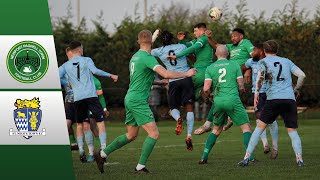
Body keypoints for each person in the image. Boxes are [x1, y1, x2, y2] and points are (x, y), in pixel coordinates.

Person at [93, 30, 197, 174]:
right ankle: (140, 166)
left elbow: (141, 77)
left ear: (138, 41)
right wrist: (186, 73)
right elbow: (166, 73)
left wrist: (160, 83)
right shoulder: (148, 58)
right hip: (137, 100)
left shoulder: (135, 57)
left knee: (131, 135)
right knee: (154, 133)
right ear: (151, 41)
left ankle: (102, 154)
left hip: (130, 98)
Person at [238, 40, 306, 167]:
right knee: (292, 131)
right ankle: (299, 160)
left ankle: (246, 158)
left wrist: (256, 94)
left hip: (273, 99)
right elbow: (302, 75)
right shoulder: (286, 61)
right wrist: (296, 89)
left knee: (259, 128)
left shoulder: (263, 62)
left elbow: (260, 79)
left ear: (264, 51)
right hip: (289, 99)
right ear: (277, 50)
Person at [59, 41, 118, 163]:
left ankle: (81, 151)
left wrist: (67, 83)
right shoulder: (86, 60)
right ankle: (103, 150)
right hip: (91, 96)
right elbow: (95, 71)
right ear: (80, 50)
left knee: (80, 125)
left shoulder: (65, 65)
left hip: (78, 98)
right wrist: (111, 75)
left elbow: (56, 76)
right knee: (100, 123)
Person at [198, 45, 254, 164]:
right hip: (232, 99)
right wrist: (242, 89)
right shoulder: (234, 65)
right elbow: (240, 83)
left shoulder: (210, 67)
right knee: (246, 128)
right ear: (228, 54)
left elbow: (206, 88)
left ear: (215, 54)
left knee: (216, 129)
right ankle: (250, 157)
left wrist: (210, 95)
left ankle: (204, 157)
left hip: (218, 101)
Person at [194, 28, 254, 134]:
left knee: (219, 97)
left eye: (235, 36)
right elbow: (217, 46)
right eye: (232, 36)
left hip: (236, 75)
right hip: (229, 73)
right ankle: (228, 118)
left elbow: (255, 56)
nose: (232, 38)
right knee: (220, 97)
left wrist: (248, 70)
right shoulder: (230, 47)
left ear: (241, 36)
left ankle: (208, 124)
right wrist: (209, 37)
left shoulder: (246, 43)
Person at [152, 30, 195, 150]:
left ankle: (178, 118)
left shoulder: (159, 50)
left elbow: (146, 50)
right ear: (172, 38)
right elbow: (192, 57)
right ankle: (189, 135)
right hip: (186, 77)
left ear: (162, 40)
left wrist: (154, 37)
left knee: (173, 108)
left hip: (173, 79)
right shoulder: (181, 46)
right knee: (189, 106)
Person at [241, 44, 279, 158]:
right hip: (257, 93)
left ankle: (275, 147)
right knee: (259, 117)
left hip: (269, 92)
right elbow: (241, 68)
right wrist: (247, 70)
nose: (252, 52)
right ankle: (265, 144)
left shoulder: (270, 61)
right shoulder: (251, 61)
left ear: (261, 52)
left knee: (271, 120)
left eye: (254, 50)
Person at [169, 23, 213, 102]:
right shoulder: (197, 40)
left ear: (202, 31)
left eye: (195, 31)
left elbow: (194, 47)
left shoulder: (204, 38)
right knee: (195, 95)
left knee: (179, 84)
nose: (194, 33)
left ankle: (176, 106)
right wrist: (181, 40)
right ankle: (204, 94)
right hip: (207, 73)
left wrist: (177, 56)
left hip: (199, 72)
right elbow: (185, 46)